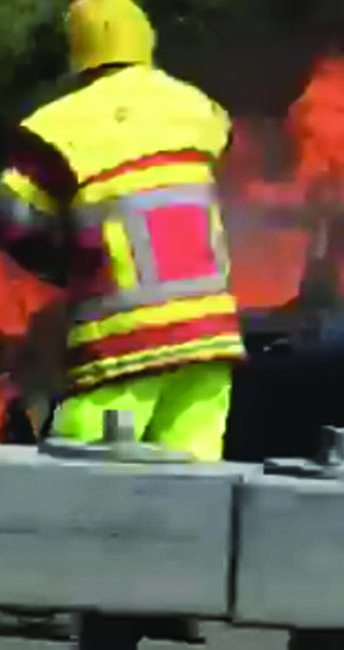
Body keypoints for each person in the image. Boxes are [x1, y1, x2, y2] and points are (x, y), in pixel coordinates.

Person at [0, 1, 245, 645]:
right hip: (209, 334)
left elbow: (15, 218)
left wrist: (64, 264)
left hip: (121, 336)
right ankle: (172, 598)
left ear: (76, 51)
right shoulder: (197, 106)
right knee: (189, 467)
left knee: (81, 470)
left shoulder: (58, 127)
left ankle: (59, 593)